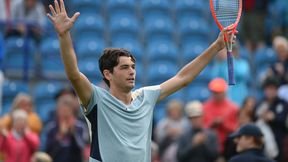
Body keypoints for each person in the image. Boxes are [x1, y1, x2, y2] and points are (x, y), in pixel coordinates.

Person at [46, 0, 236, 161]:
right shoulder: (96, 99)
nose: (131, 72)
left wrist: (216, 46)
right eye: (124, 67)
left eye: (133, 67)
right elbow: (74, 74)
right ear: (107, 74)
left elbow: (183, 78)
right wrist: (64, 35)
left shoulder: (146, 97)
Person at [203, 78, 239, 153]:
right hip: (209, 147)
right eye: (214, 92)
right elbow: (201, 127)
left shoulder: (233, 108)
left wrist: (224, 124)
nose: (216, 95)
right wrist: (212, 124)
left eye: (219, 92)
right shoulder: (204, 107)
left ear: (224, 92)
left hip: (229, 146)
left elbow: (236, 128)